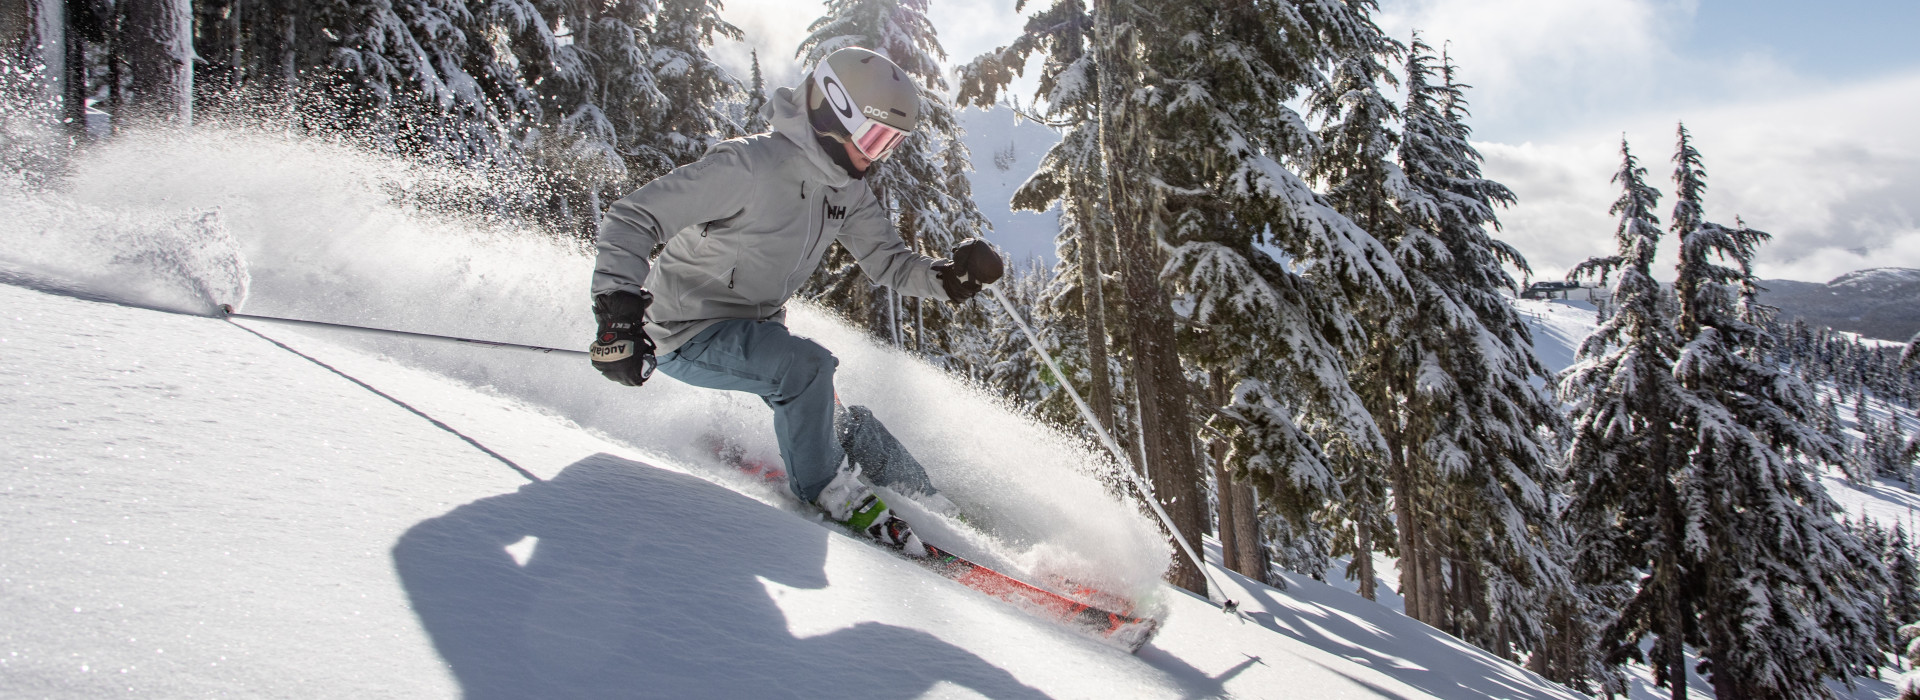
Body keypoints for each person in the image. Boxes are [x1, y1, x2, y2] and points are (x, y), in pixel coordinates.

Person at [586, 47, 1004, 553]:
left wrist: (949, 278)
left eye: (889, 144)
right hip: (684, 330)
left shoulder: (845, 190)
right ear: (834, 112)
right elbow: (632, 218)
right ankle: (831, 493)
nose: (876, 155)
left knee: (847, 423)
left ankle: (931, 507)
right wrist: (618, 315)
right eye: (874, 137)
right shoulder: (749, 166)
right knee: (807, 370)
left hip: (758, 332)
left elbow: (889, 261)